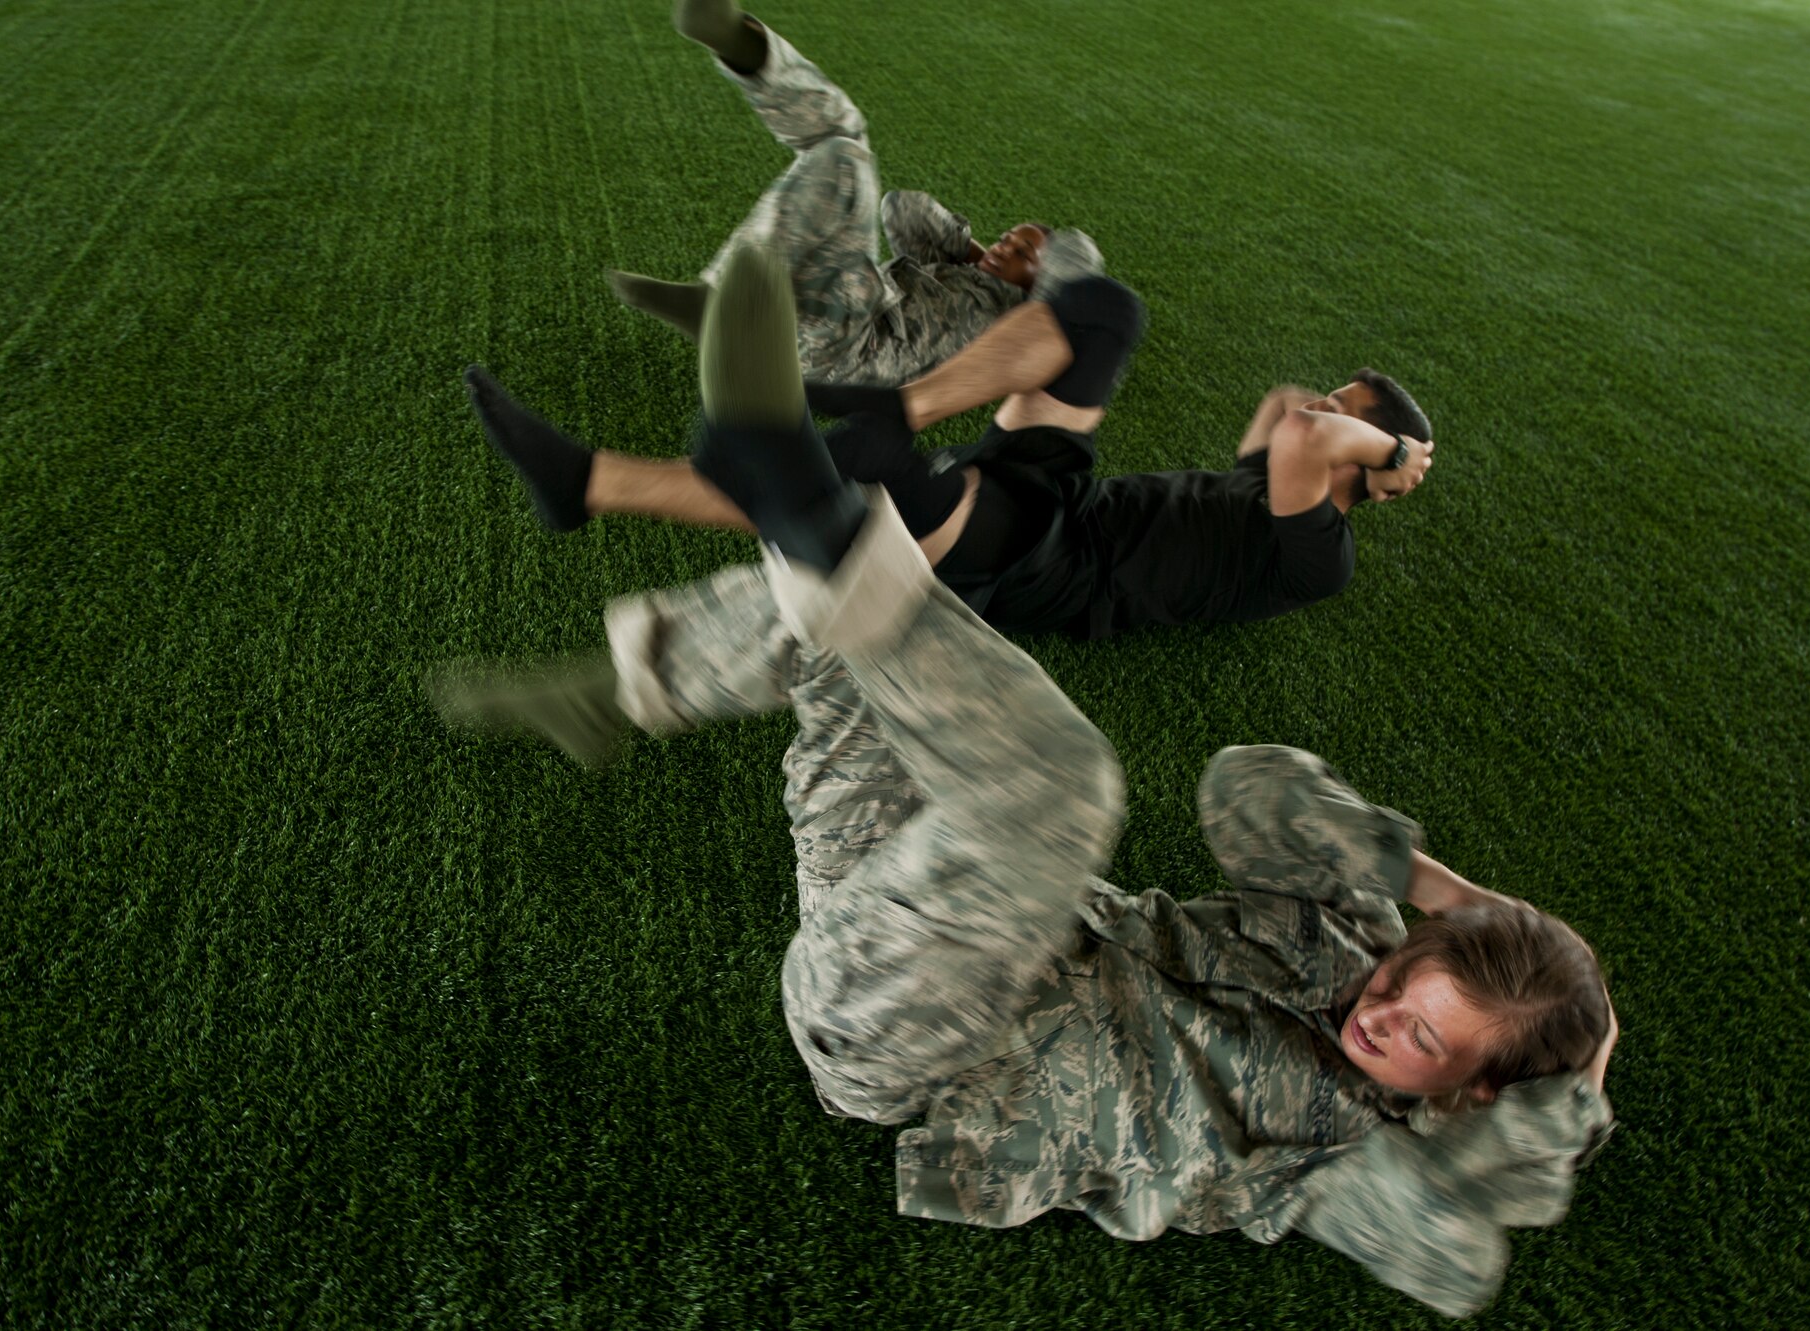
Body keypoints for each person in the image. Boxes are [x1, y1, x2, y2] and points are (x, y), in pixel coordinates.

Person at [432, 246, 1617, 1318]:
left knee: (1064, 790)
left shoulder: (1347, 1152)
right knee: (912, 630)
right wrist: (1444, 896)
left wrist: (1583, 1072)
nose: (1380, 1013)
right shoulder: (1346, 938)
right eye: (1409, 983)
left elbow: (1454, 1257)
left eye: (1419, 1039)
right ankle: (638, 677)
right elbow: (1246, 788)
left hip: (911, 1033)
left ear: (1467, 1095)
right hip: (909, 878)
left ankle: (816, 510)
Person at [465, 271, 1435, 639]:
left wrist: (1389, 443)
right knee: (1107, 311)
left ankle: (588, 479)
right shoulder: (1266, 473)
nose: (1310, 405)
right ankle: (897, 408)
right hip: (1056, 492)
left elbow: (1301, 433)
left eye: (1338, 412)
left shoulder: (1318, 555)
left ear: (1366, 472)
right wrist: (1355, 421)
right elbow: (1280, 414)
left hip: (1054, 568)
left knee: (849, 487)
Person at [608, 0, 1104, 384]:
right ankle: (745, 49)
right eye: (1009, 237)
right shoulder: (966, 272)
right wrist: (973, 254)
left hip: (844, 351)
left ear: (1043, 282)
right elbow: (903, 209)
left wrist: (1029, 278)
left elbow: (1071, 278)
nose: (1004, 246)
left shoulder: (1010, 320)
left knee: (846, 160)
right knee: (843, 135)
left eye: (1023, 253)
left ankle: (725, 306)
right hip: (830, 313)